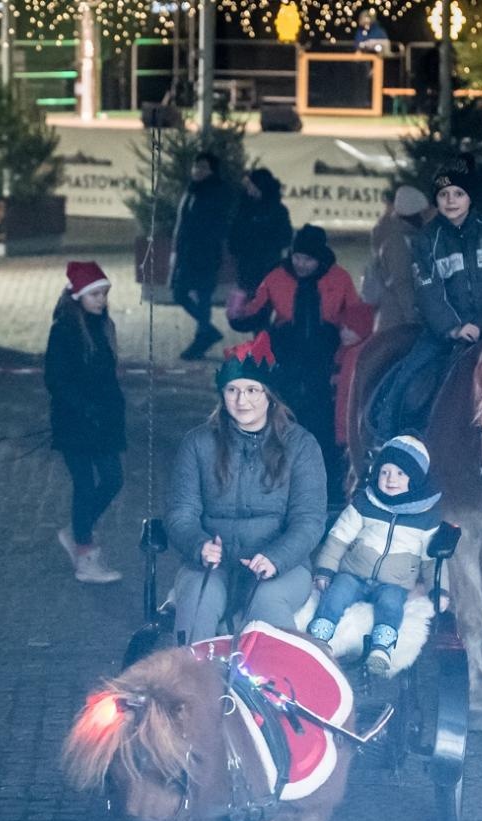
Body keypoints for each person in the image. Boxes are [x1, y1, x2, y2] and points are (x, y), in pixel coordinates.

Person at [165, 336, 328, 643]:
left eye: (252, 390)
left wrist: (276, 558)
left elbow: (309, 521)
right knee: (199, 604)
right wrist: (198, 544)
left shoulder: (301, 445)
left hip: (280, 565)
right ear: (222, 395)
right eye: (232, 390)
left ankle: (275, 685)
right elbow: (181, 513)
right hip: (213, 563)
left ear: (270, 396)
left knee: (266, 603)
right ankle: (196, 684)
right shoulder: (198, 443)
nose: (242, 401)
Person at [370, 167, 482, 439]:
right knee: (408, 377)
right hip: (443, 333)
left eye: (458, 193)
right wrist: (452, 327)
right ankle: (383, 438)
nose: (451, 200)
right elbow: (427, 288)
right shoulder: (427, 240)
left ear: (469, 197)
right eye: (444, 195)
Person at [230, 224, 372, 501]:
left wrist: (351, 335)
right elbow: (255, 311)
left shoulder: (339, 277)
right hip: (287, 355)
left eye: (307, 259)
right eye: (297, 257)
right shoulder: (276, 277)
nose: (301, 264)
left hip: (324, 355)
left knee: (323, 426)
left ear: (320, 258)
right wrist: (238, 311)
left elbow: (353, 312)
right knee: (282, 420)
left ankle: (327, 489)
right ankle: (275, 486)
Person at [307, 435, 443, 676]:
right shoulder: (365, 504)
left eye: (401, 474)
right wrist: (325, 569)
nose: (391, 480)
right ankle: (319, 636)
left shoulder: (426, 517)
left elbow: (432, 558)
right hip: (354, 573)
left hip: (394, 582)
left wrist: (438, 589)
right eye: (385, 473)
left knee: (392, 605)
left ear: (416, 480)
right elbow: (339, 538)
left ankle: (382, 648)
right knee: (335, 594)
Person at [45, 261, 126, 585]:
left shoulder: (103, 326)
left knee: (112, 479)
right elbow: (56, 378)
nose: (101, 300)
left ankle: (76, 532)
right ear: (78, 295)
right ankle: (85, 556)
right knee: (84, 484)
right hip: (75, 422)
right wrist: (84, 408)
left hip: (103, 421)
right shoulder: (64, 329)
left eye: (104, 293)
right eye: (94, 294)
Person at [171, 151, 231, 361]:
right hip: (188, 252)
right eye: (196, 166)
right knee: (179, 292)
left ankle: (202, 338)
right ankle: (207, 331)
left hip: (205, 254)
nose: (197, 171)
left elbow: (216, 225)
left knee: (203, 296)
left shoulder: (217, 192)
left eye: (203, 167)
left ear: (212, 171)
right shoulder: (192, 190)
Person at [364, 185, 429, 330]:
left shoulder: (403, 236)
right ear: (416, 213)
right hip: (398, 322)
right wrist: (413, 317)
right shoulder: (397, 241)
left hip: (395, 319)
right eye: (425, 212)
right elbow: (401, 282)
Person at [228, 167, 292, 297]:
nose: (249, 188)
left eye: (251, 184)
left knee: (264, 299)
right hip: (246, 263)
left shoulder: (277, 209)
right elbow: (234, 230)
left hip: (267, 263)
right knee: (247, 300)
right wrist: (236, 247)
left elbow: (285, 236)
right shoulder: (244, 206)